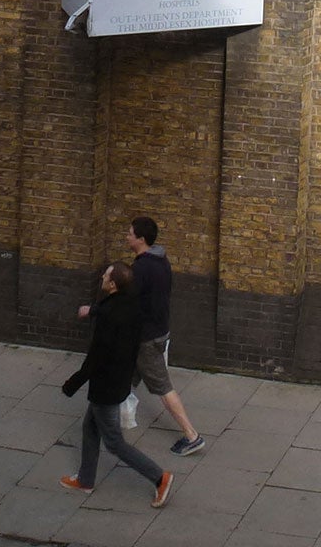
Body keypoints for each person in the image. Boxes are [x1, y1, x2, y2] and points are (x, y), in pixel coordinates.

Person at [78, 213, 205, 456]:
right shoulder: (161, 261)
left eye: (130, 234)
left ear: (141, 239)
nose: (126, 236)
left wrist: (93, 310)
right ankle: (107, 426)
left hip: (146, 338)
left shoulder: (141, 269)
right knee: (121, 380)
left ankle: (192, 435)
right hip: (154, 332)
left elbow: (123, 304)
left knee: (163, 388)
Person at [60, 262, 172, 507]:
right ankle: (86, 480)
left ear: (112, 285)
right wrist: (93, 311)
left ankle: (159, 477)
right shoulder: (129, 304)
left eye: (106, 275)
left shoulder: (110, 316)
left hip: (106, 386)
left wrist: (72, 384)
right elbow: (109, 309)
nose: (102, 276)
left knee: (114, 442)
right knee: (90, 428)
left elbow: (96, 356)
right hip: (120, 379)